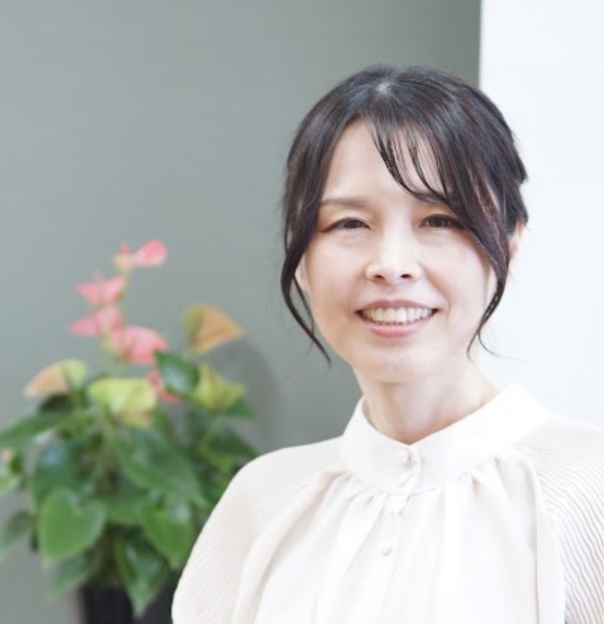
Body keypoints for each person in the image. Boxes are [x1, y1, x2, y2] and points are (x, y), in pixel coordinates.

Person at [172, 66, 604, 623]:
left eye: (440, 220)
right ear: (300, 257)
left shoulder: (587, 486)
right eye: (349, 224)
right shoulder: (262, 501)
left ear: (510, 246)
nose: (391, 265)